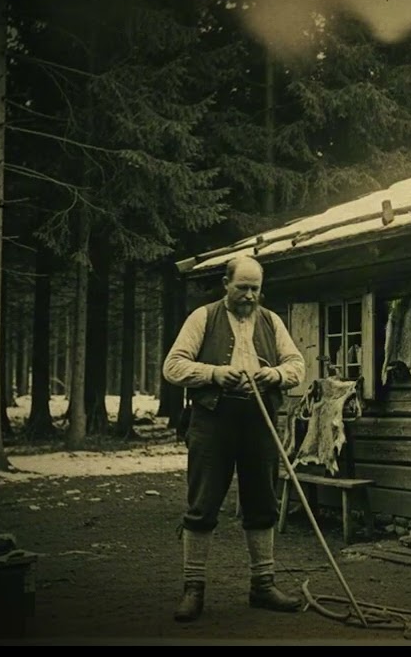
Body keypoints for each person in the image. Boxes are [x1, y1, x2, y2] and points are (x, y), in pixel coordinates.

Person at [162, 255, 307, 623]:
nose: (248, 295)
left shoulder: (271, 321)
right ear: (226, 284)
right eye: (241, 287)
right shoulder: (203, 317)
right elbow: (173, 365)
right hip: (212, 420)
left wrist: (274, 375)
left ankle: (263, 585)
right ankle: (193, 589)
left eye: (255, 288)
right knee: (202, 503)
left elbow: (297, 366)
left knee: (262, 501)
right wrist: (213, 373)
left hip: (259, 421)